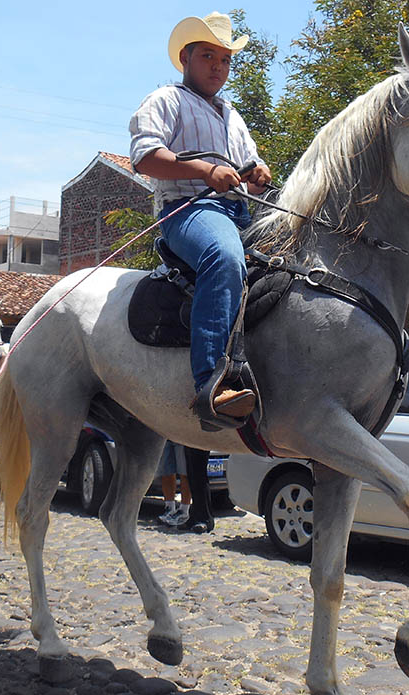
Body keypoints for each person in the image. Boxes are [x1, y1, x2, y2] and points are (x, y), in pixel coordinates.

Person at [129, 11, 273, 427]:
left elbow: (250, 168)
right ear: (186, 59)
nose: (218, 67)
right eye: (209, 56)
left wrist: (257, 173)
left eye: (225, 59)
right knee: (225, 257)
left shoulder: (233, 116)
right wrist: (205, 171)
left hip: (239, 212)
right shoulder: (166, 101)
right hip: (188, 211)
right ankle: (210, 385)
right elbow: (145, 158)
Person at [157, 441, 191, 527]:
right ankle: (169, 508)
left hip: (181, 436)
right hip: (166, 436)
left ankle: (184, 510)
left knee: (184, 472)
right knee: (166, 472)